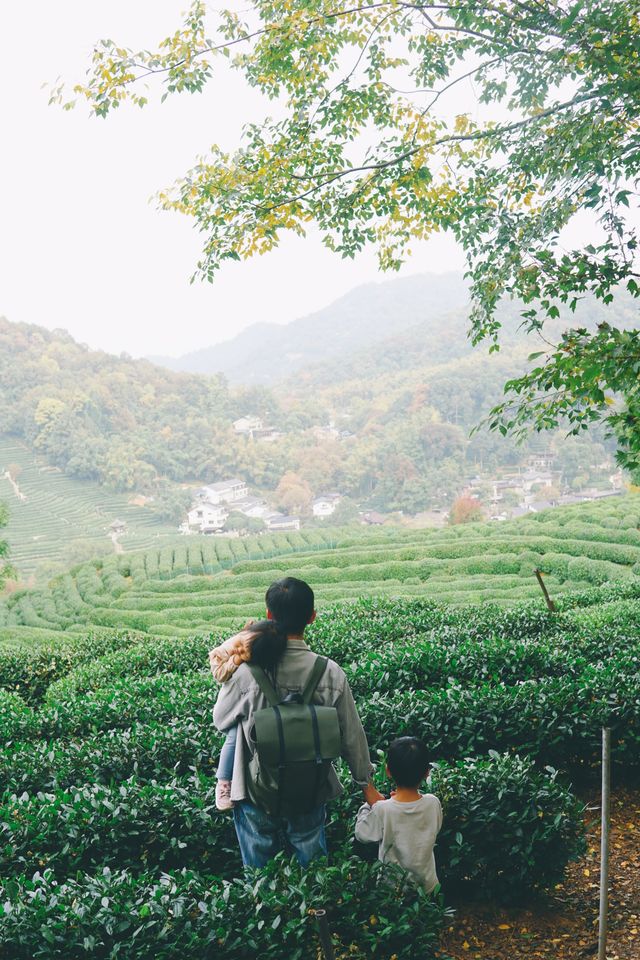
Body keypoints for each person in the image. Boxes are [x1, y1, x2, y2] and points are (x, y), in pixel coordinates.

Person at [212, 576, 384, 868]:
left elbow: (221, 719)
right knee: (312, 870)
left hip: (255, 789)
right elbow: (351, 736)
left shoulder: (246, 672)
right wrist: (366, 785)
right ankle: (316, 912)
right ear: (312, 617)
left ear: (269, 616)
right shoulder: (329, 672)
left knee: (260, 874)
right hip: (310, 784)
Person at [209, 618, 287, 811]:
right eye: (240, 647)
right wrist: (235, 659)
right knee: (234, 733)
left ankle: (226, 781)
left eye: (245, 654)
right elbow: (219, 674)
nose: (239, 652)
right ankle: (223, 781)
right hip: (221, 672)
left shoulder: (253, 647)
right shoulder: (234, 647)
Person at [354, 736, 443, 893]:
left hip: (392, 891)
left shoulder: (382, 810)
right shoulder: (433, 803)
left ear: (388, 771)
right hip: (427, 887)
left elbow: (362, 834)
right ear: (426, 773)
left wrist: (369, 806)